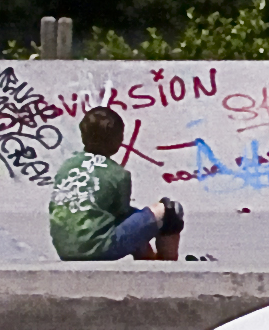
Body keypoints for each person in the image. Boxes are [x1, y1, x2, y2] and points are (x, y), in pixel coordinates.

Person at [49, 106, 183, 260]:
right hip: (99, 248)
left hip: (65, 250)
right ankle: (169, 269)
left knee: (134, 217)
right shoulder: (118, 174)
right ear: (118, 140)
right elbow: (122, 216)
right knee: (170, 210)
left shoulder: (67, 166)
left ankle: (149, 261)